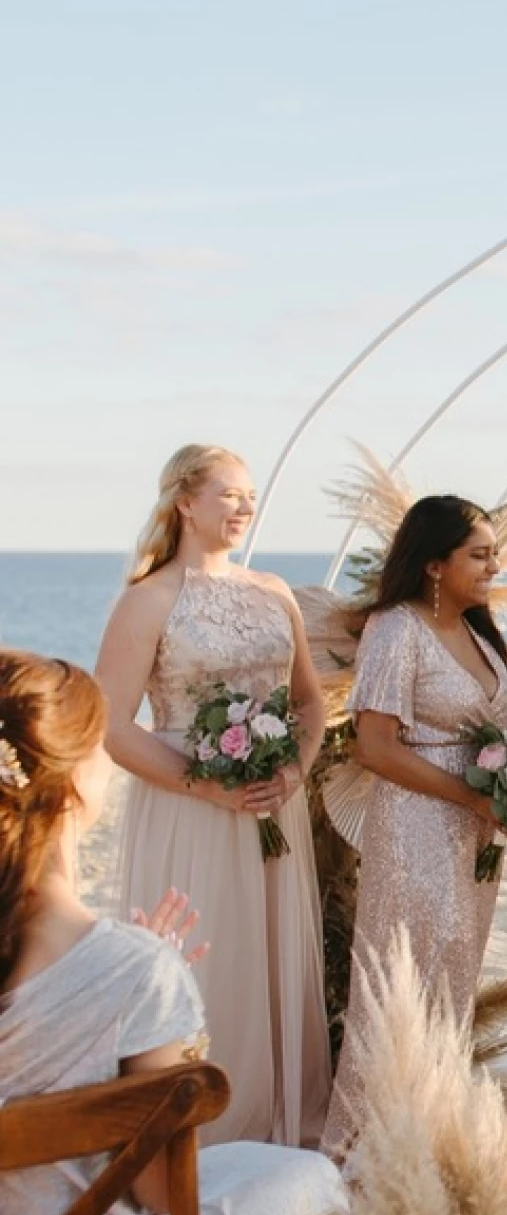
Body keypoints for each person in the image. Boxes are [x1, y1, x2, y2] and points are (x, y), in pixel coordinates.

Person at [0, 649, 346, 1215]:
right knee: (319, 1182)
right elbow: (159, 1195)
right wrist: (158, 1001)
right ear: (74, 786)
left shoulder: (128, 968)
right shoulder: (136, 972)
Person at [94, 445, 331, 1148]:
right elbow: (109, 726)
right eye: (228, 494)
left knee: (273, 962)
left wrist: (296, 770)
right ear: (184, 502)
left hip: (272, 804)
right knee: (210, 957)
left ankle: (282, 1121)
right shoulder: (149, 600)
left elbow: (311, 703)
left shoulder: (274, 591)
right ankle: (206, 1124)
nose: (244, 507)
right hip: (189, 808)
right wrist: (207, 788)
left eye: (249, 495)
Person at [321, 496, 507, 1158]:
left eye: (494, 553)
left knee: (457, 969)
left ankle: (434, 1134)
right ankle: (372, 1145)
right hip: (414, 826)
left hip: (475, 831)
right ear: (434, 564)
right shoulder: (395, 629)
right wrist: (468, 794)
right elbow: (375, 746)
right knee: (409, 974)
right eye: (481, 554)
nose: (496, 565)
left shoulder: (479, 630)